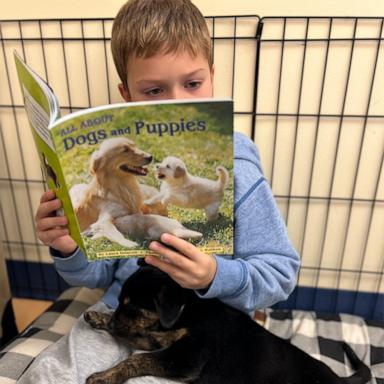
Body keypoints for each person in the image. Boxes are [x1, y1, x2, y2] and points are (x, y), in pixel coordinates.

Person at [19, 1, 300, 383]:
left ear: (213, 77)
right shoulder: (124, 174)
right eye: (153, 89)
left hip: (209, 329)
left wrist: (213, 275)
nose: (177, 101)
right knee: (49, 374)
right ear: (126, 94)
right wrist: (69, 248)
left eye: (193, 83)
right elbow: (99, 272)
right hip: (124, 314)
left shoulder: (240, 168)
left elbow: (279, 275)